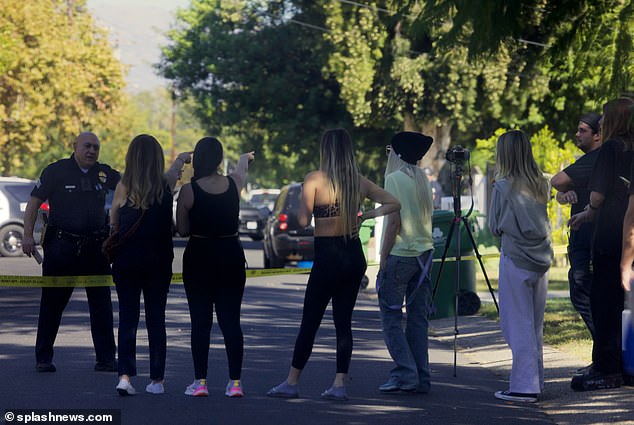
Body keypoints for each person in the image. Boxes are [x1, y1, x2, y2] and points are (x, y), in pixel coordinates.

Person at [267, 128, 400, 401]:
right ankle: (339, 384)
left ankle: (292, 381)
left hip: (327, 255)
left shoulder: (314, 179)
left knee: (310, 321)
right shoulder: (358, 181)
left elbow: (303, 222)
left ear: (325, 150)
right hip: (352, 255)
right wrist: (365, 215)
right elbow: (393, 202)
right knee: (343, 322)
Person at [22, 132, 119, 373]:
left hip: (95, 249)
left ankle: (106, 359)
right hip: (62, 247)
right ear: (74, 146)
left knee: (101, 305)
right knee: (52, 304)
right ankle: (43, 358)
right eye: (87, 146)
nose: (92, 151)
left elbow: (129, 190)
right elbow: (34, 202)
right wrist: (27, 235)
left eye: (96, 147)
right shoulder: (56, 171)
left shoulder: (104, 173)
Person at [109, 134, 192, 396]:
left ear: (131, 158)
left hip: (127, 261)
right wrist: (181, 159)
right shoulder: (165, 185)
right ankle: (157, 380)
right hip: (158, 262)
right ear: (157, 158)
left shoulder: (123, 187)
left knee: (128, 319)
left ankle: (125, 377)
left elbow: (113, 224)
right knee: (157, 320)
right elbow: (174, 172)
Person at [176, 137, 254, 398]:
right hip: (230, 255)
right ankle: (235, 383)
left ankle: (200, 382)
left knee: (200, 322)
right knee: (231, 320)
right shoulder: (234, 183)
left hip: (199, 256)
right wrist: (244, 159)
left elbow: (183, 230)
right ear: (220, 160)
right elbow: (241, 170)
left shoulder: (189, 190)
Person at [570, 97, 634, 391]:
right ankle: (624, 363)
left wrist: (589, 207)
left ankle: (607, 368)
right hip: (625, 233)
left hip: (609, 235)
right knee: (624, 304)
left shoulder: (610, 148)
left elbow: (597, 196)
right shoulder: (630, 148)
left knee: (603, 303)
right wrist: (586, 214)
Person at [489, 130, 553, 403]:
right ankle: (535, 379)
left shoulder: (503, 186)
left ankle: (524, 386)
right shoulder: (541, 184)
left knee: (517, 323)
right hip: (541, 259)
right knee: (534, 324)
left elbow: (494, 226)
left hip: (515, 256)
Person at [377, 132, 435, 394]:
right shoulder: (422, 179)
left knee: (390, 318)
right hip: (425, 256)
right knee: (417, 320)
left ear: (396, 154)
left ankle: (405, 373)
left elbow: (393, 222)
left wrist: (382, 257)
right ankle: (422, 377)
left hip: (401, 255)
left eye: (389, 150)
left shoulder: (393, 179)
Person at [551, 112, 602, 342]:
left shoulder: (596, 158)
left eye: (583, 130)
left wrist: (562, 188)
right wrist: (564, 195)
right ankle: (602, 355)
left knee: (583, 290)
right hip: (581, 237)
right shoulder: (587, 162)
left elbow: (556, 180)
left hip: (592, 238)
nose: (577, 134)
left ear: (598, 135)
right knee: (582, 291)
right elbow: (561, 192)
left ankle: (605, 354)